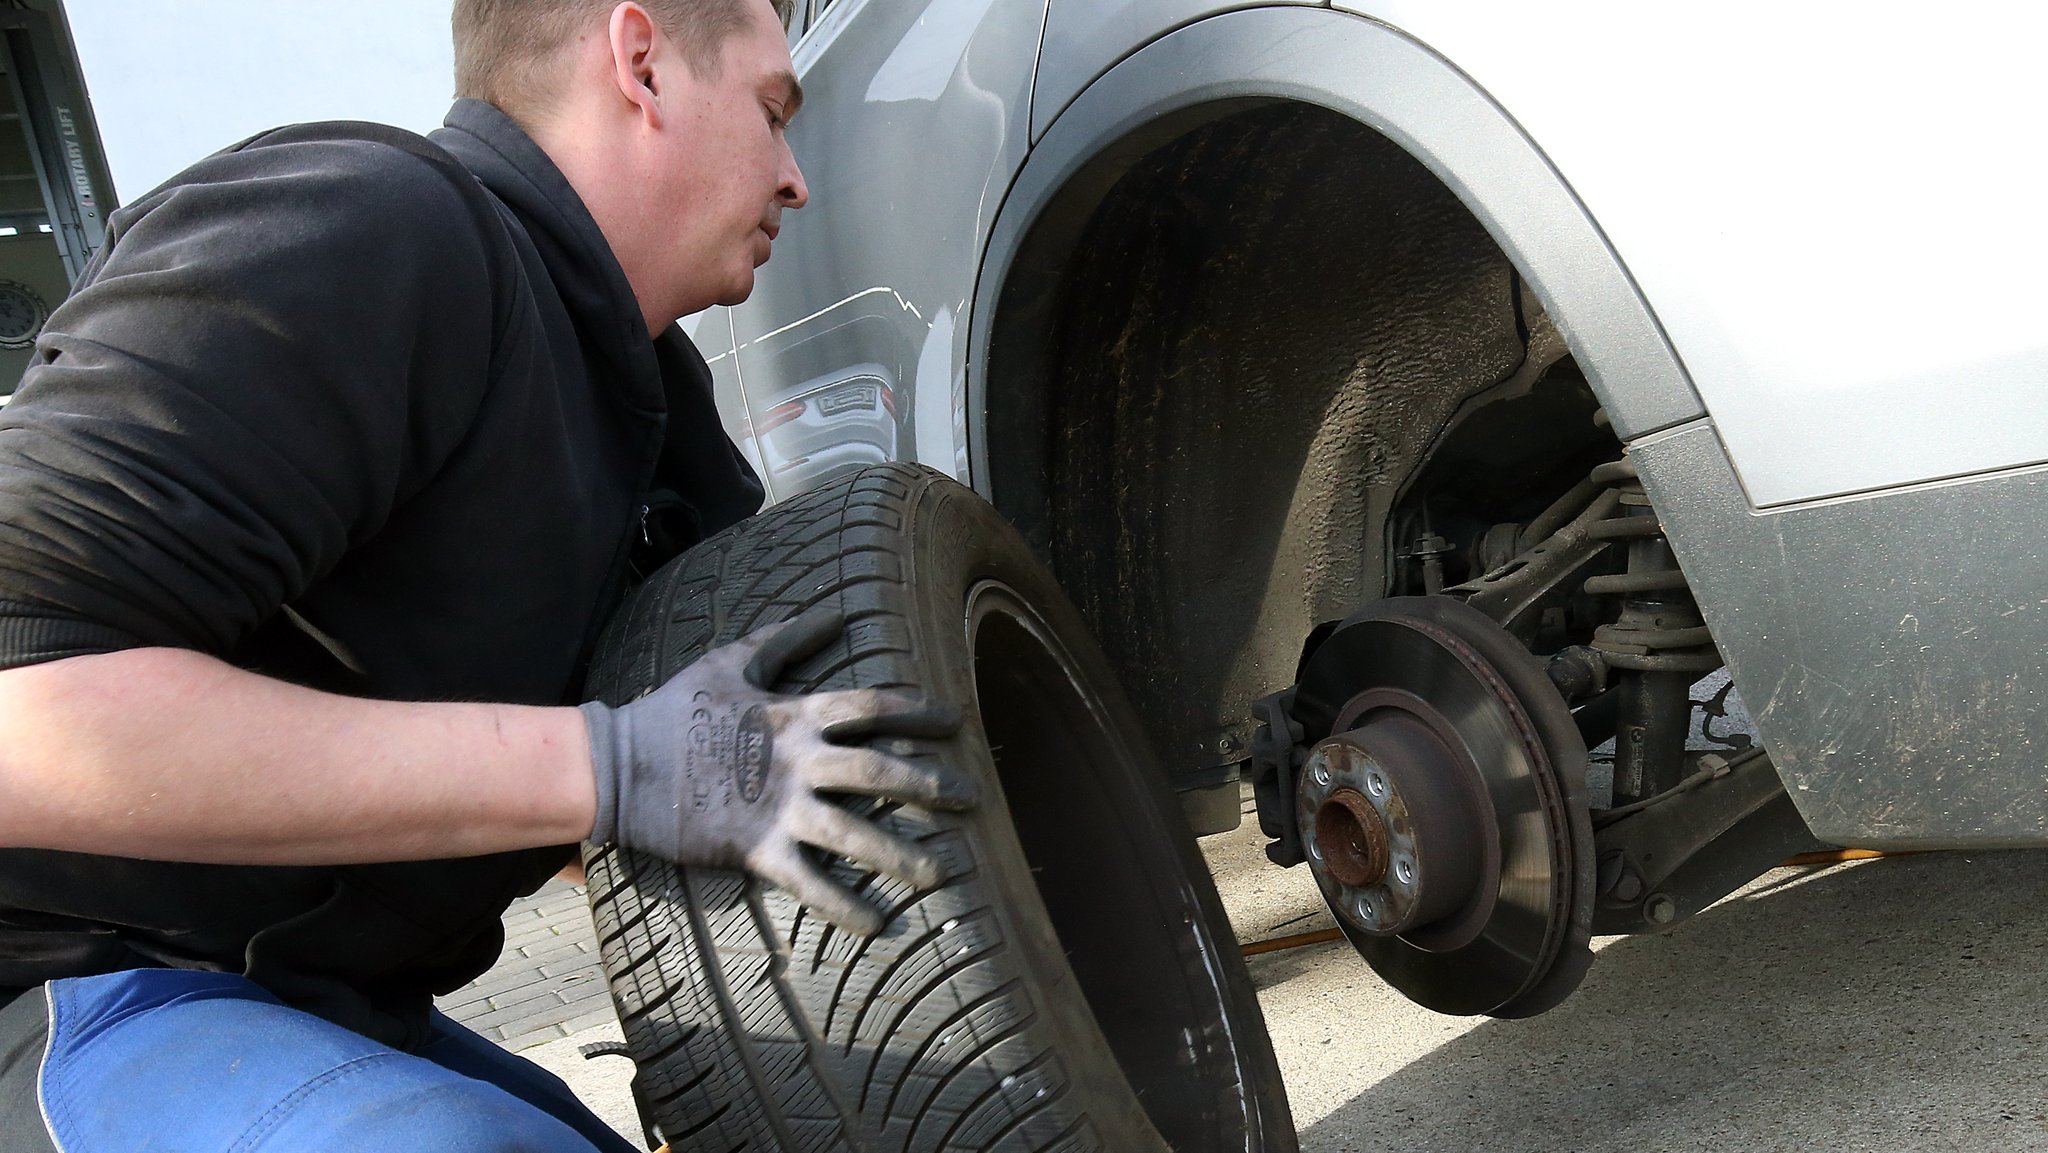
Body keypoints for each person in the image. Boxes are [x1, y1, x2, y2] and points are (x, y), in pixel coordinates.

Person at [0, 1, 971, 1149]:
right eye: (771, 112)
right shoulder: (363, 229)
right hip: (66, 981)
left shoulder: (661, 441)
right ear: (641, 62)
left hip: (323, 1003)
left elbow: (662, 791)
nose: (795, 178)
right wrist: (606, 765)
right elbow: (21, 711)